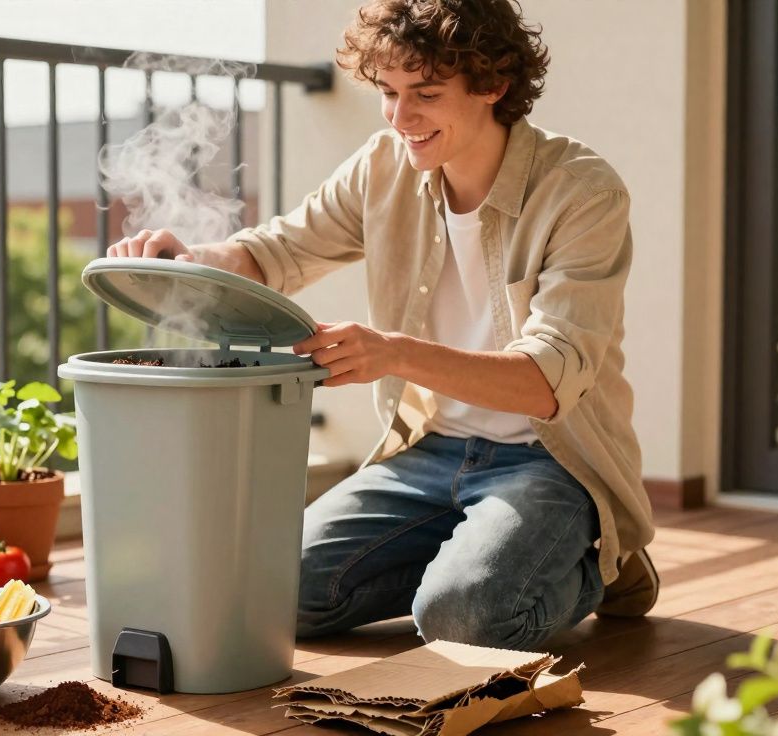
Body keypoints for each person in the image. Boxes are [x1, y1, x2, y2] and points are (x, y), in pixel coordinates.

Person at [105, 0, 656, 651]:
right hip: (428, 453)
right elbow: (278, 251)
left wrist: (393, 353)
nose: (401, 118)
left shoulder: (581, 192)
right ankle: (473, 561)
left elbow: (547, 382)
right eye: (388, 94)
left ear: (493, 85)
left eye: (425, 93)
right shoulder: (384, 165)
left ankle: (599, 561)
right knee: (266, 589)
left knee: (464, 618)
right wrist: (192, 260)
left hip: (546, 460)